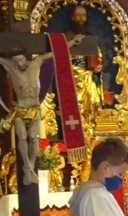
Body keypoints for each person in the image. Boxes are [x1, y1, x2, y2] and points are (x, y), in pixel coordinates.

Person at [0, 35, 84, 185]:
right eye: (16, 61)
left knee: (33, 138)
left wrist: (71, 43)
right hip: (20, 108)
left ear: (26, 58)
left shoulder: (36, 63)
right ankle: (27, 165)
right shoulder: (11, 67)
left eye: (21, 59)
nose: (19, 63)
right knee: (22, 136)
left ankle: (30, 167)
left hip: (34, 108)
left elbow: (54, 53)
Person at [65, 4, 103, 118]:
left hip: (88, 75)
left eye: (83, 16)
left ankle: (89, 128)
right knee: (75, 104)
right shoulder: (66, 37)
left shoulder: (90, 37)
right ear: (72, 17)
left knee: (91, 102)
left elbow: (97, 56)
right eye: (78, 15)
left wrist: (98, 66)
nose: (81, 18)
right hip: (72, 76)